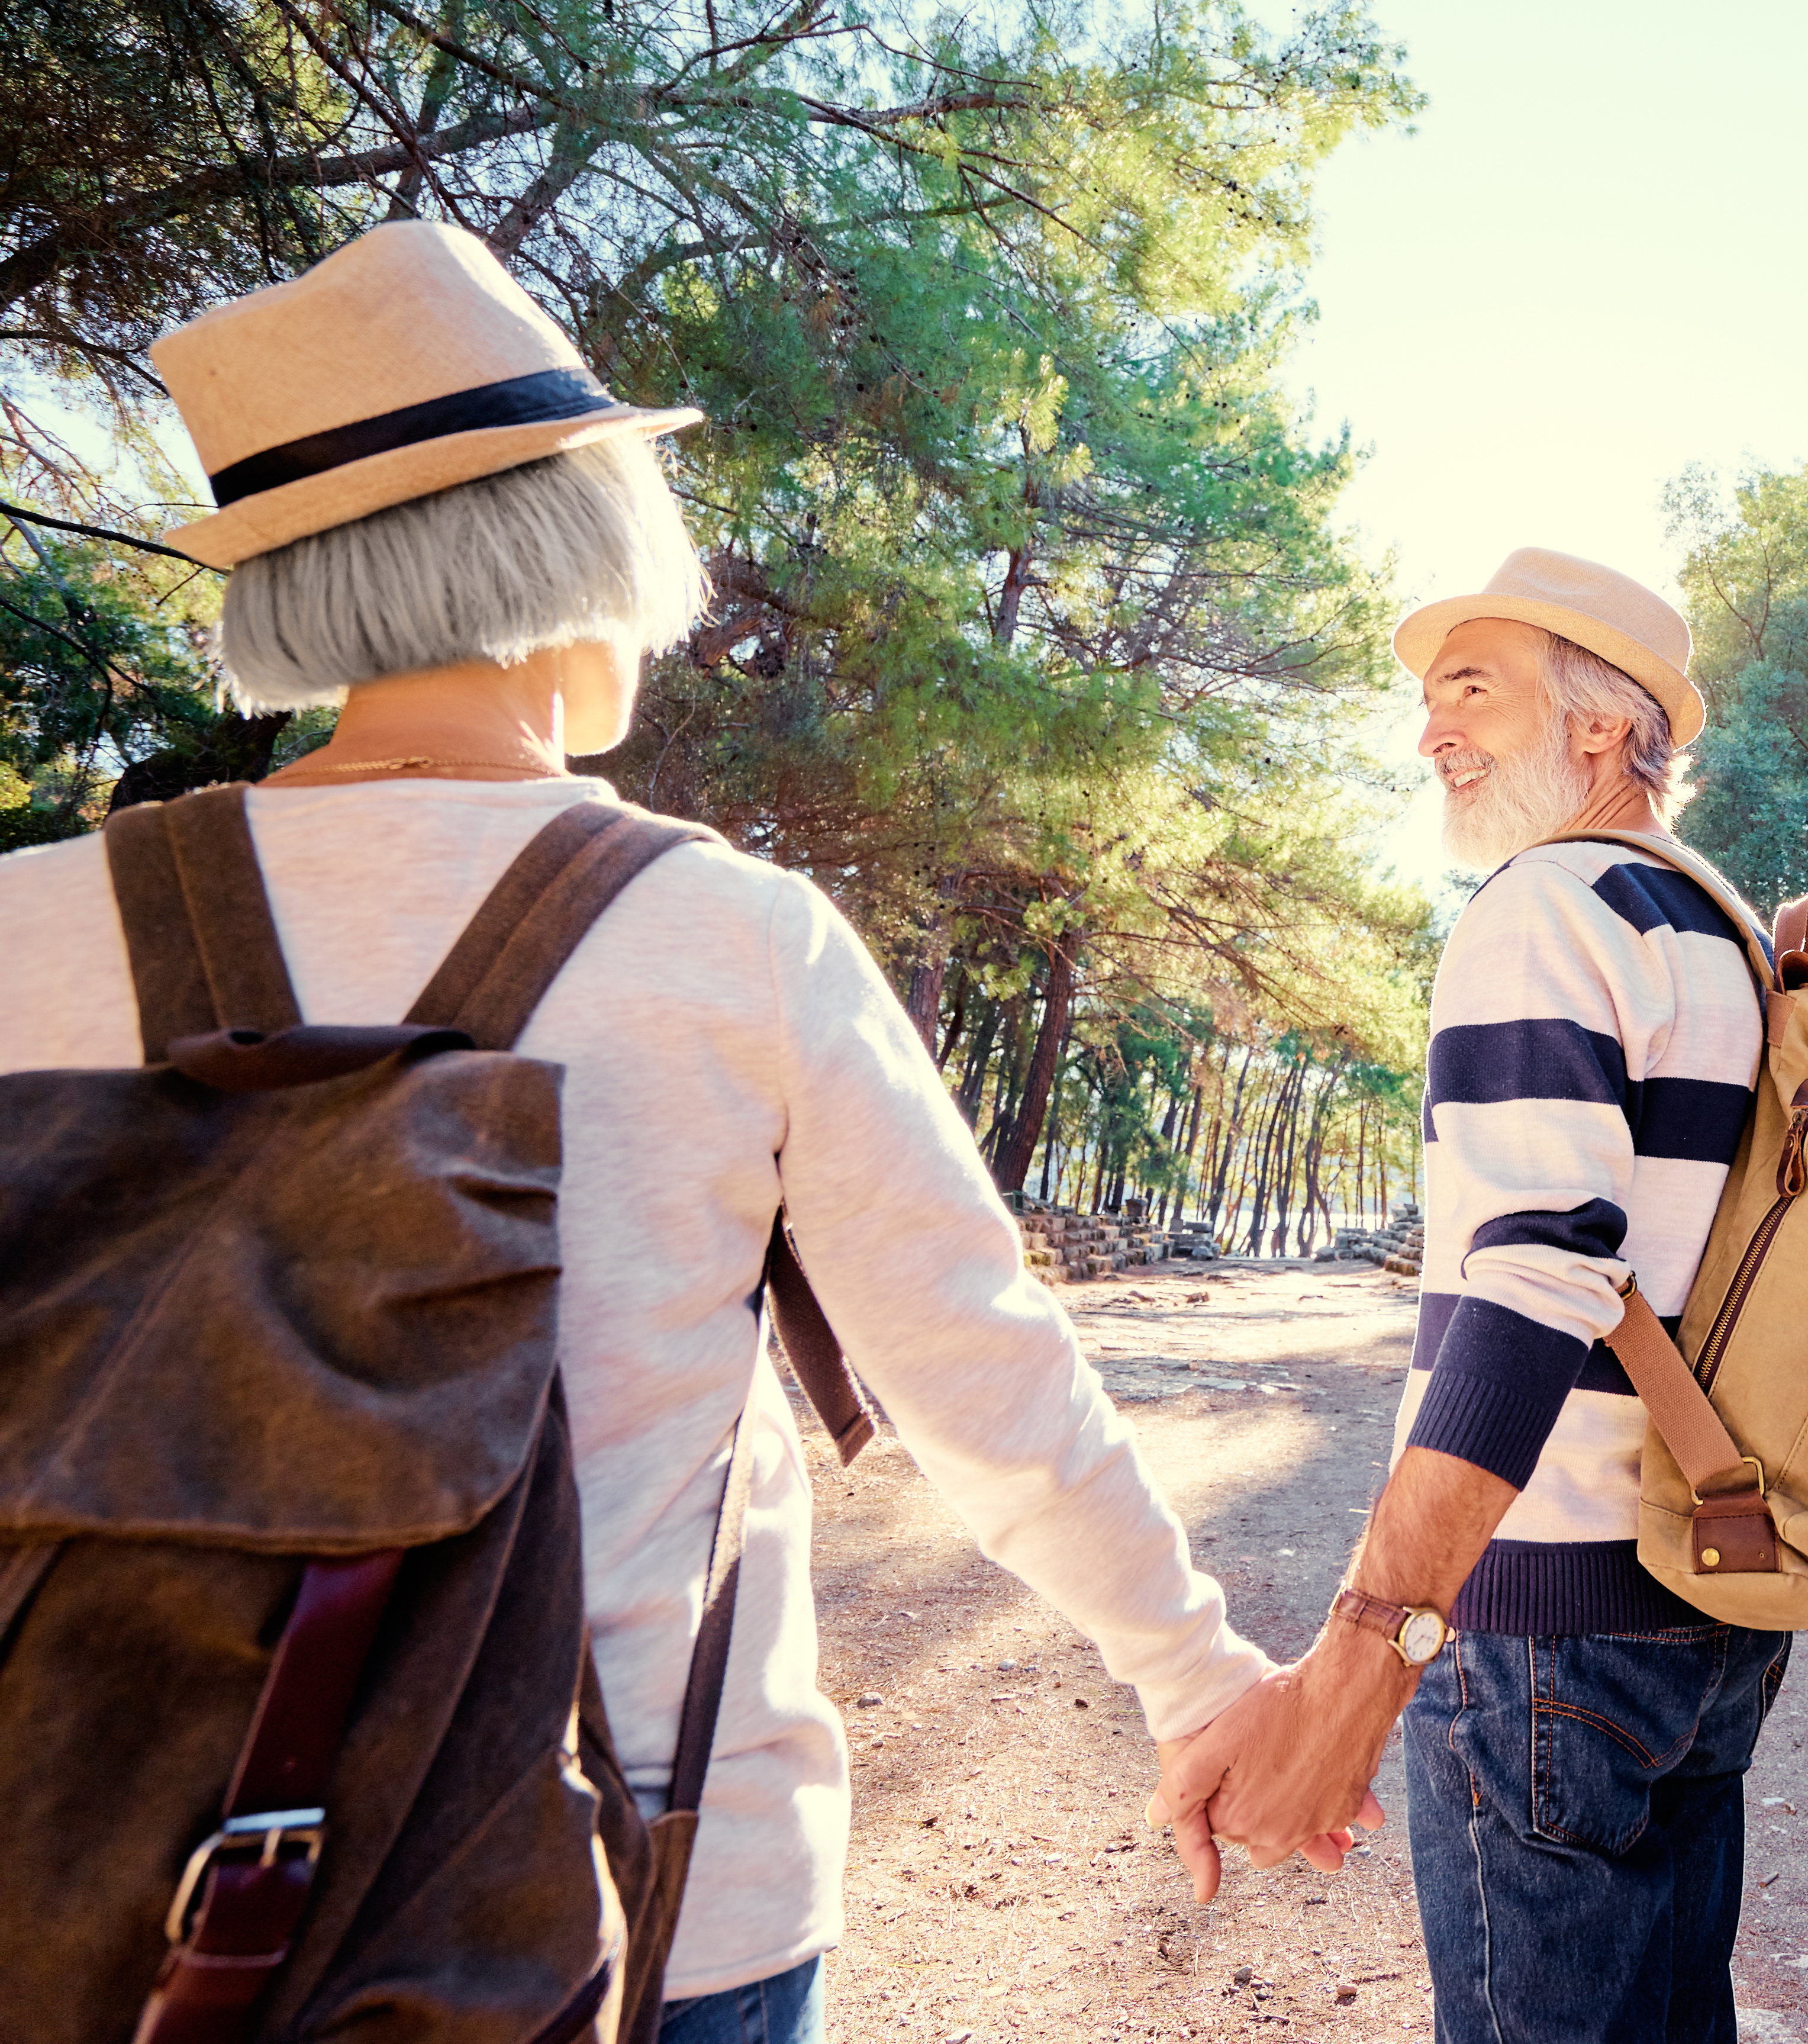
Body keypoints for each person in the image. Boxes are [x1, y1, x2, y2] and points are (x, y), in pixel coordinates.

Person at [0, 221, 1351, 2040]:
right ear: (583, 547)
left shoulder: (26, 926)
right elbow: (978, 1371)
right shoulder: (725, 935)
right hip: (621, 1909)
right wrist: (1204, 1692)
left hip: (76, 1888)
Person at [1154, 549, 1788, 2044]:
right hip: (1713, 1605)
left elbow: (1529, 1290)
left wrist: (1371, 1649)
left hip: (1548, 1623)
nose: (1428, 728)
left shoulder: (1543, 907)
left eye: (1473, 685)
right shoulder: (1727, 937)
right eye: (1427, 693)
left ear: (1598, 725)